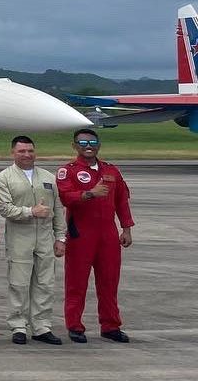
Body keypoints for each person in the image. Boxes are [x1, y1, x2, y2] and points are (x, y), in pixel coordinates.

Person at [57, 129, 134, 343]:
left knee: (109, 282)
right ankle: (74, 326)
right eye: (82, 143)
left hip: (108, 234)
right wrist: (89, 193)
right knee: (76, 282)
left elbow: (121, 201)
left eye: (92, 141)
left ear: (99, 145)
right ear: (75, 146)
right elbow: (66, 197)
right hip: (81, 233)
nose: (88, 146)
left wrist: (126, 228)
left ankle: (110, 325)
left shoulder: (111, 170)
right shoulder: (68, 171)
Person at [0, 135, 66, 345]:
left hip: (44, 236)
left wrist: (60, 237)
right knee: (19, 283)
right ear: (13, 153)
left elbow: (58, 209)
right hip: (20, 236)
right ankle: (18, 325)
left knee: (45, 283)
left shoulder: (48, 177)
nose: (27, 155)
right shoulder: (3, 178)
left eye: (30, 151)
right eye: (22, 151)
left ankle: (42, 326)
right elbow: (5, 208)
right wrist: (31, 211)